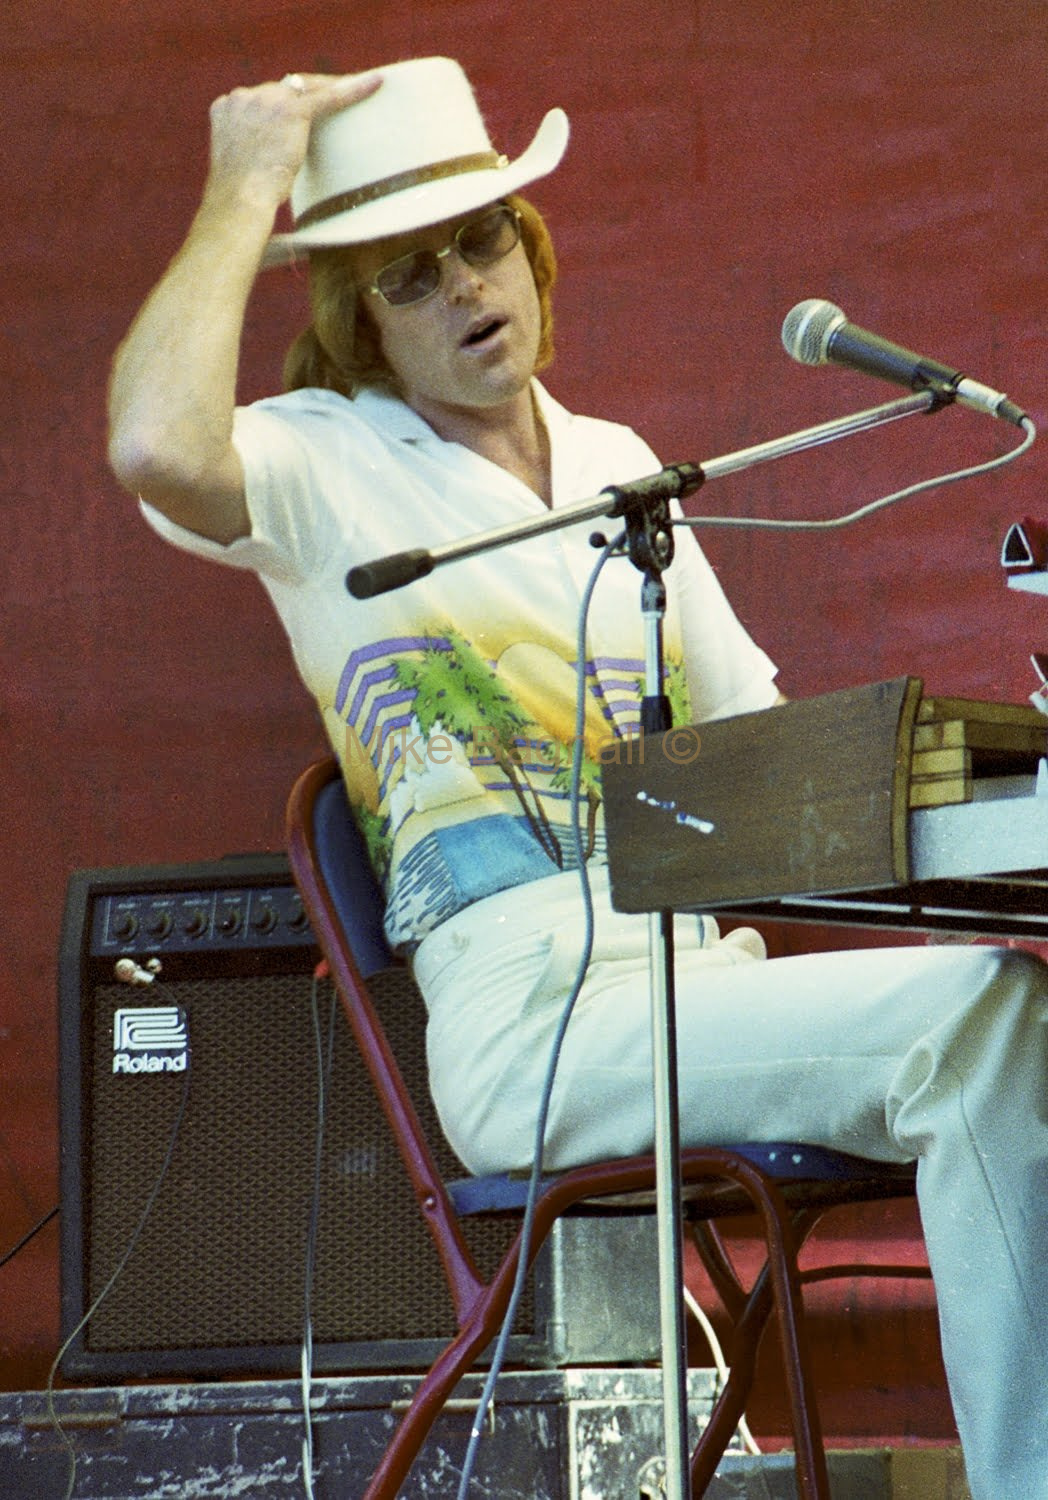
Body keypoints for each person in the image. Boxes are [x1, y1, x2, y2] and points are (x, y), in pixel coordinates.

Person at [108, 57, 1047, 1499]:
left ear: (530, 252)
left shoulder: (618, 468)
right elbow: (153, 443)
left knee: (1018, 995)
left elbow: (767, 752)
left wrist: (1003, 771)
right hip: (534, 1029)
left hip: (702, 989)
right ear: (359, 319)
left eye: (480, 242)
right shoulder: (324, 463)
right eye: (408, 276)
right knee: (981, 1030)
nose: (465, 285)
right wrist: (246, 183)